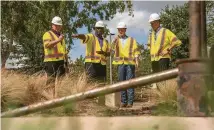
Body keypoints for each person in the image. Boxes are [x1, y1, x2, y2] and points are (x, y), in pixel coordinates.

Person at [112, 22, 140, 108]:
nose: (120, 31)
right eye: (119, 30)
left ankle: (130, 102)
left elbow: (136, 51)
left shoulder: (132, 40)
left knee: (130, 83)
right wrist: (113, 41)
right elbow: (111, 50)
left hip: (130, 64)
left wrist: (137, 61)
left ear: (125, 30)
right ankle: (123, 102)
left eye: (122, 29)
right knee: (122, 83)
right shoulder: (116, 40)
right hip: (120, 64)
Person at [42, 16, 68, 98]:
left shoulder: (61, 37)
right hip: (50, 61)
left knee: (61, 82)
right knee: (50, 82)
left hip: (61, 62)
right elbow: (47, 45)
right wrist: (58, 40)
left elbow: (64, 51)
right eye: (56, 25)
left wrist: (66, 64)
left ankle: (59, 100)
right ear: (52, 25)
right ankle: (49, 100)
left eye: (59, 25)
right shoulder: (47, 34)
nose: (58, 27)